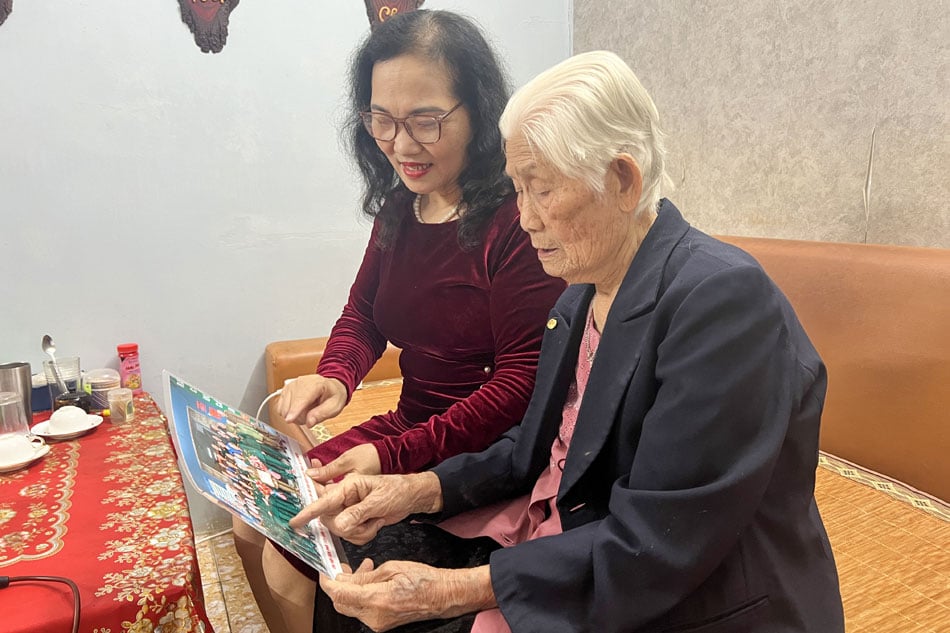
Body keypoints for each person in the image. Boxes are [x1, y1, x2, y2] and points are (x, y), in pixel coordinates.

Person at [291, 50, 846, 633]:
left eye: (542, 191)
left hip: (685, 591)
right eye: (517, 190)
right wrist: (413, 490)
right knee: (347, 576)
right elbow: (533, 448)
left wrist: (453, 591)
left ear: (623, 180)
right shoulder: (580, 295)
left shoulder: (721, 301)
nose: (525, 218)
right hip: (567, 536)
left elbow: (660, 539)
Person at [233, 10, 566, 633]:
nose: (401, 144)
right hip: (411, 427)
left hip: (479, 454)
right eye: (381, 120)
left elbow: (522, 385)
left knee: (307, 542)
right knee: (259, 507)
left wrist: (390, 455)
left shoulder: (515, 224)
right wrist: (335, 378)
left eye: (425, 121)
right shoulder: (401, 205)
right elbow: (364, 312)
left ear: (480, 111)